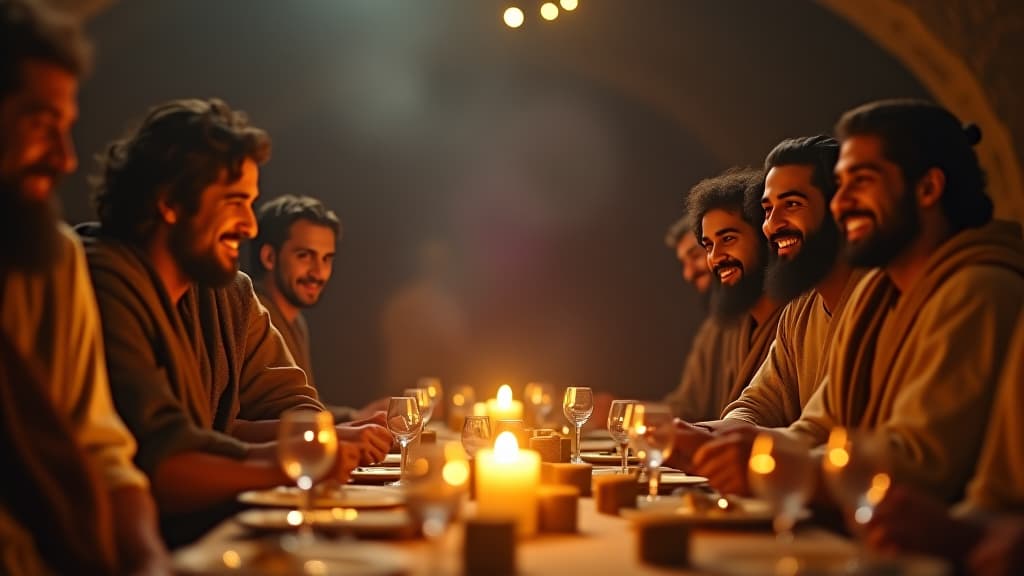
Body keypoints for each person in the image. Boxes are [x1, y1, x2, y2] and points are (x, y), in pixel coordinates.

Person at [81, 98, 386, 545]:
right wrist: (292, 459)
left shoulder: (229, 291)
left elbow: (291, 404)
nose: (248, 225)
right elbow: (159, 462)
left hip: (216, 534)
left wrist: (328, 436)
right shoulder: (103, 277)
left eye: (252, 203)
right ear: (169, 201)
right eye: (235, 201)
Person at [703, 100, 1024, 501]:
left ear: (927, 188)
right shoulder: (875, 296)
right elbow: (817, 427)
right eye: (841, 185)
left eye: (862, 181)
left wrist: (766, 464)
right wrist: (702, 440)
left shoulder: (979, 290)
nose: (842, 202)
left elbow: (922, 460)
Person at [0, 0, 168, 572]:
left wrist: (148, 562)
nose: (65, 159)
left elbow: (102, 454)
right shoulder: (107, 269)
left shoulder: (51, 258)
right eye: (41, 123)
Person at [667, 136, 866, 489]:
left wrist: (758, 455)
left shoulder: (880, 298)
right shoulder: (800, 311)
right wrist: (700, 434)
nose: (773, 224)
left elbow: (906, 455)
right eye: (768, 210)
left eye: (791, 204)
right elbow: (758, 404)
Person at [251, 194, 387, 421]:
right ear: (269, 257)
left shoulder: (296, 323)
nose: (318, 273)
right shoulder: (252, 314)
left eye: (326, 259)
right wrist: (355, 421)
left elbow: (303, 406)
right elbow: (272, 416)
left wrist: (357, 416)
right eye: (305, 256)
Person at [672, 167, 785, 420]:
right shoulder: (734, 324)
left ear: (764, 236)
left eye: (729, 239)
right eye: (709, 246)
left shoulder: (797, 319)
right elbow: (685, 409)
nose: (715, 258)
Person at [660, 212, 742, 421]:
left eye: (695, 256)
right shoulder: (714, 330)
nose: (688, 274)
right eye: (683, 263)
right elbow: (685, 407)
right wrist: (622, 413)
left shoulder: (785, 318)